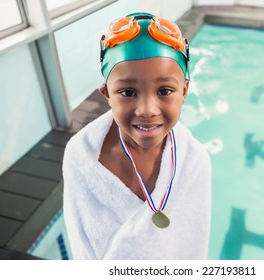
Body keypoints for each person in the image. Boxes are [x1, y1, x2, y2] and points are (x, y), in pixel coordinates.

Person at [62, 12, 212, 260]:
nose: (147, 110)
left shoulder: (195, 161)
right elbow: (82, 245)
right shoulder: (81, 156)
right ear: (106, 94)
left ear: (184, 91)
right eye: (128, 92)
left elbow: (195, 245)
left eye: (164, 91)